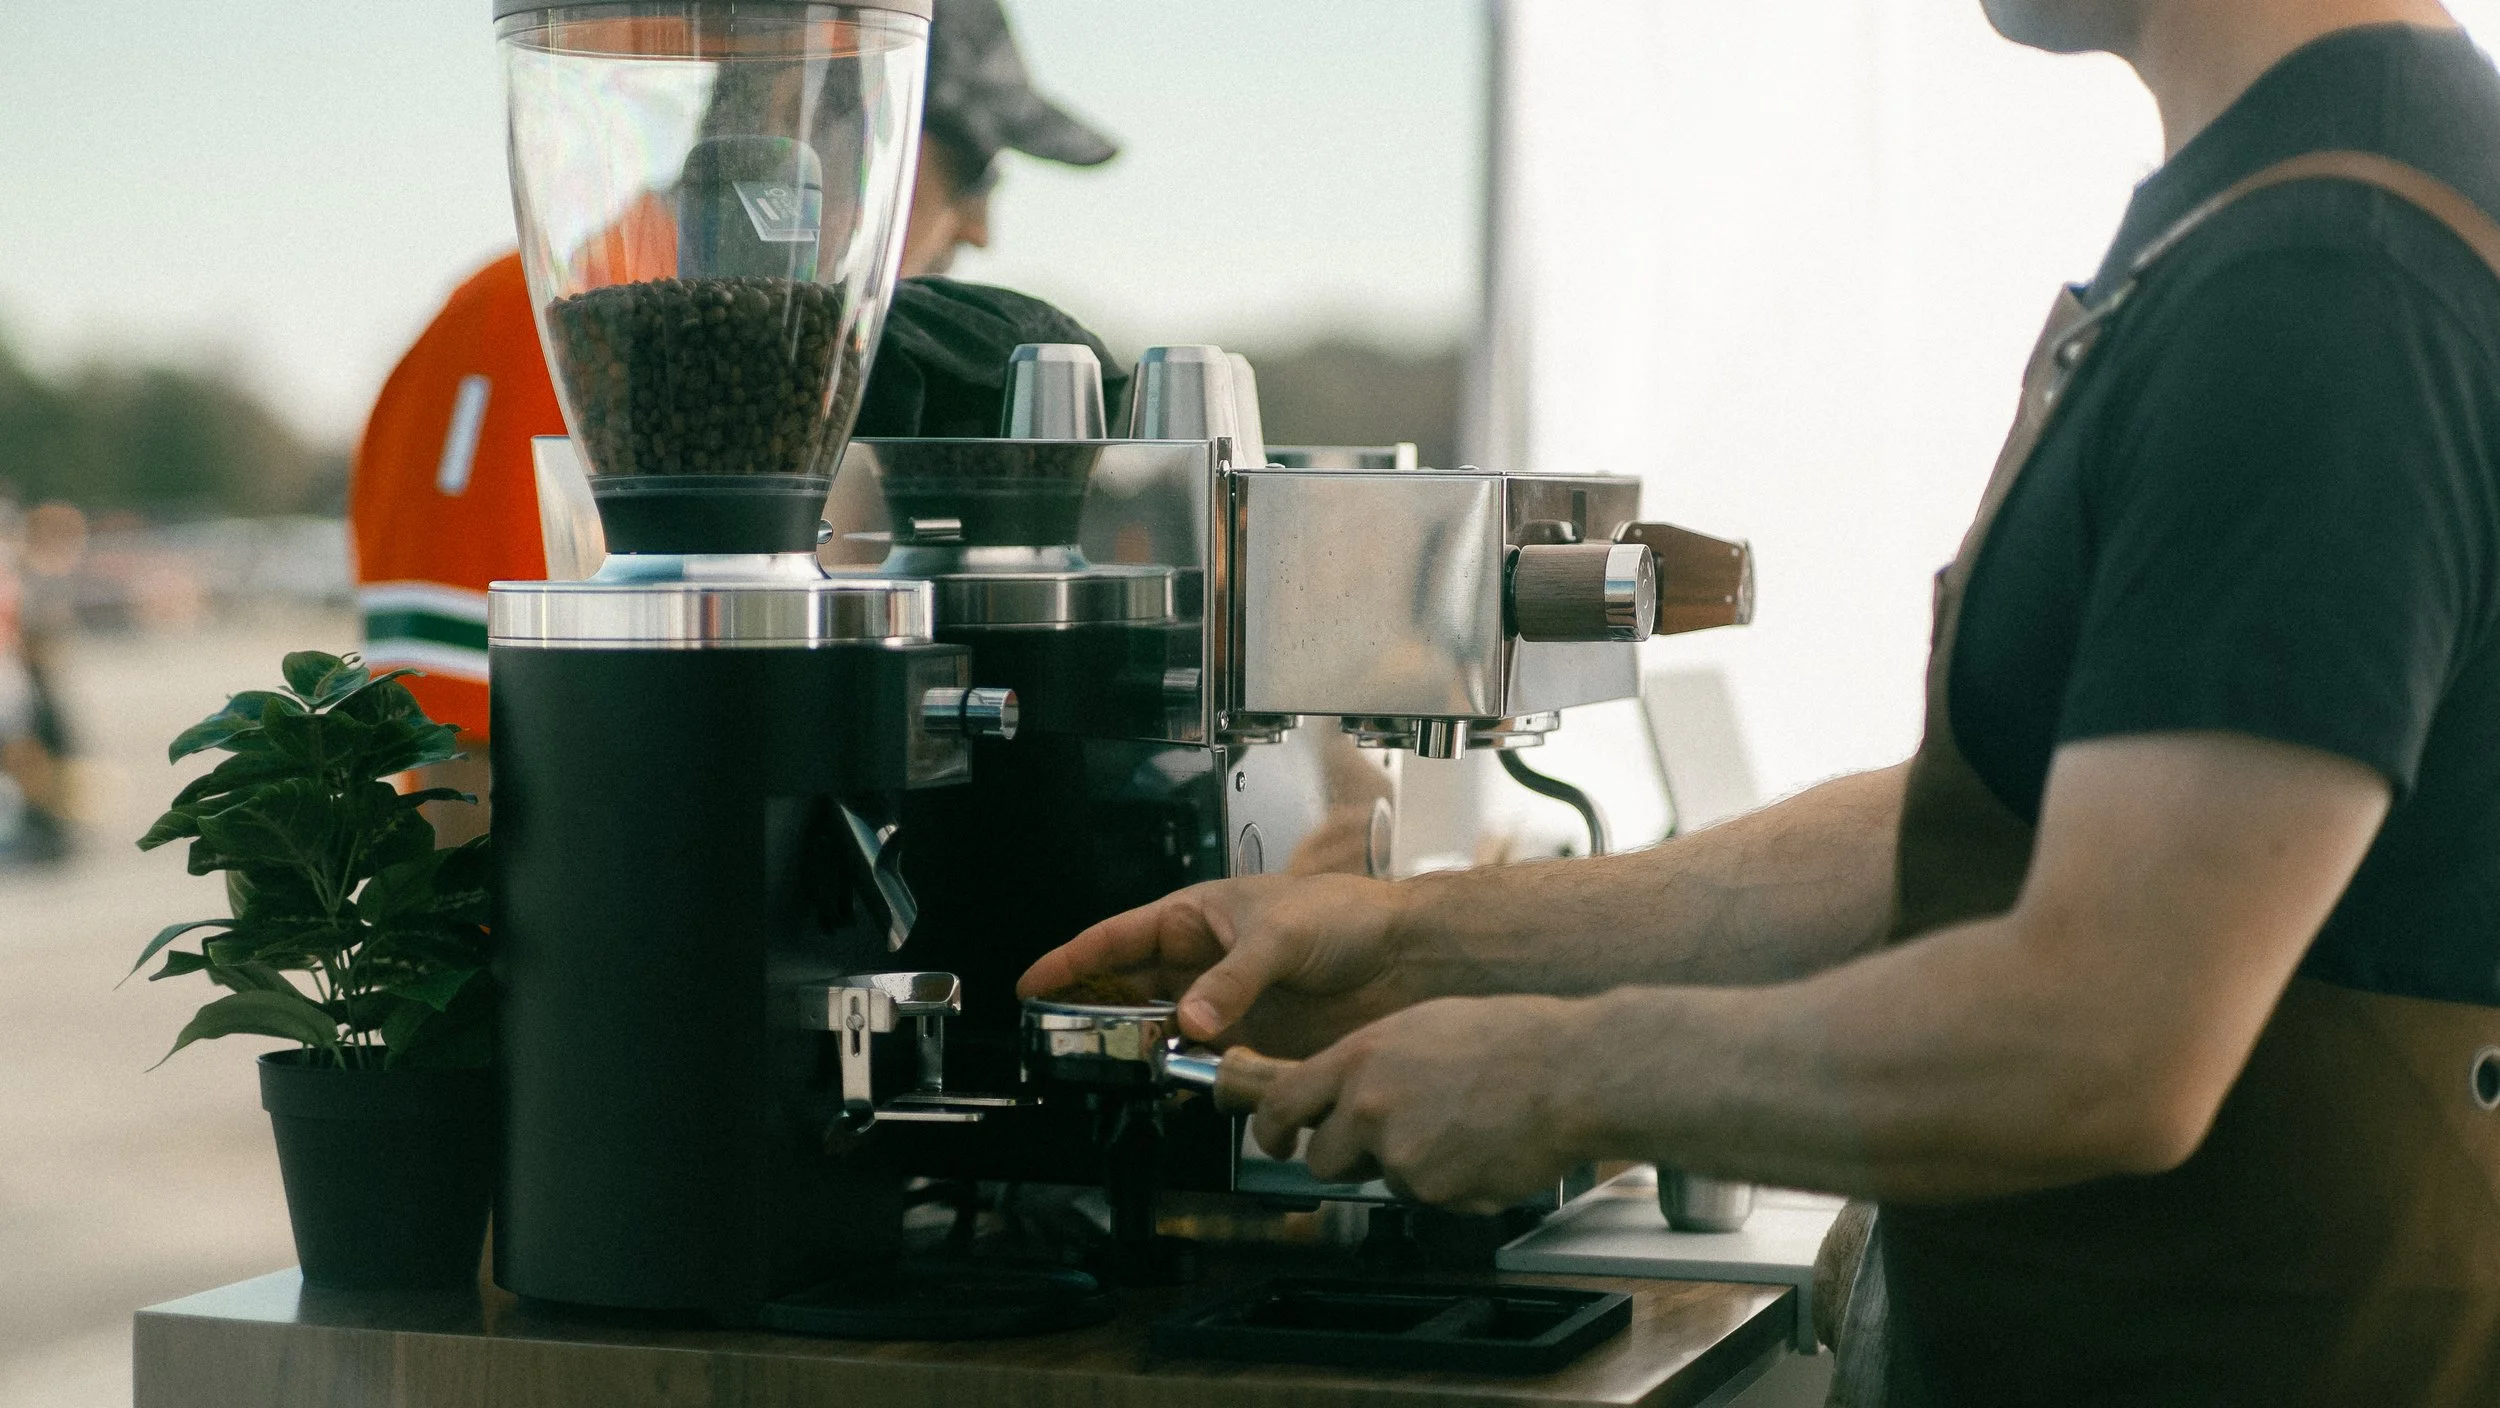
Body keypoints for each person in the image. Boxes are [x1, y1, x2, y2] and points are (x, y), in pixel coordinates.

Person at [1020, 1, 2500, 1402]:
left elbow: (2107, 1033)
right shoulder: (2261, 215)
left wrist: (1560, 1075)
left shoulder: (2330, 276)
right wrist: (1420, 948)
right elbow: (1972, 846)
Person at [349, 0, 1115, 839]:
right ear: (809, 93)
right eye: (972, 163)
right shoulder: (541, 330)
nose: (980, 224)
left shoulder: (805, 374)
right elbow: (471, 781)